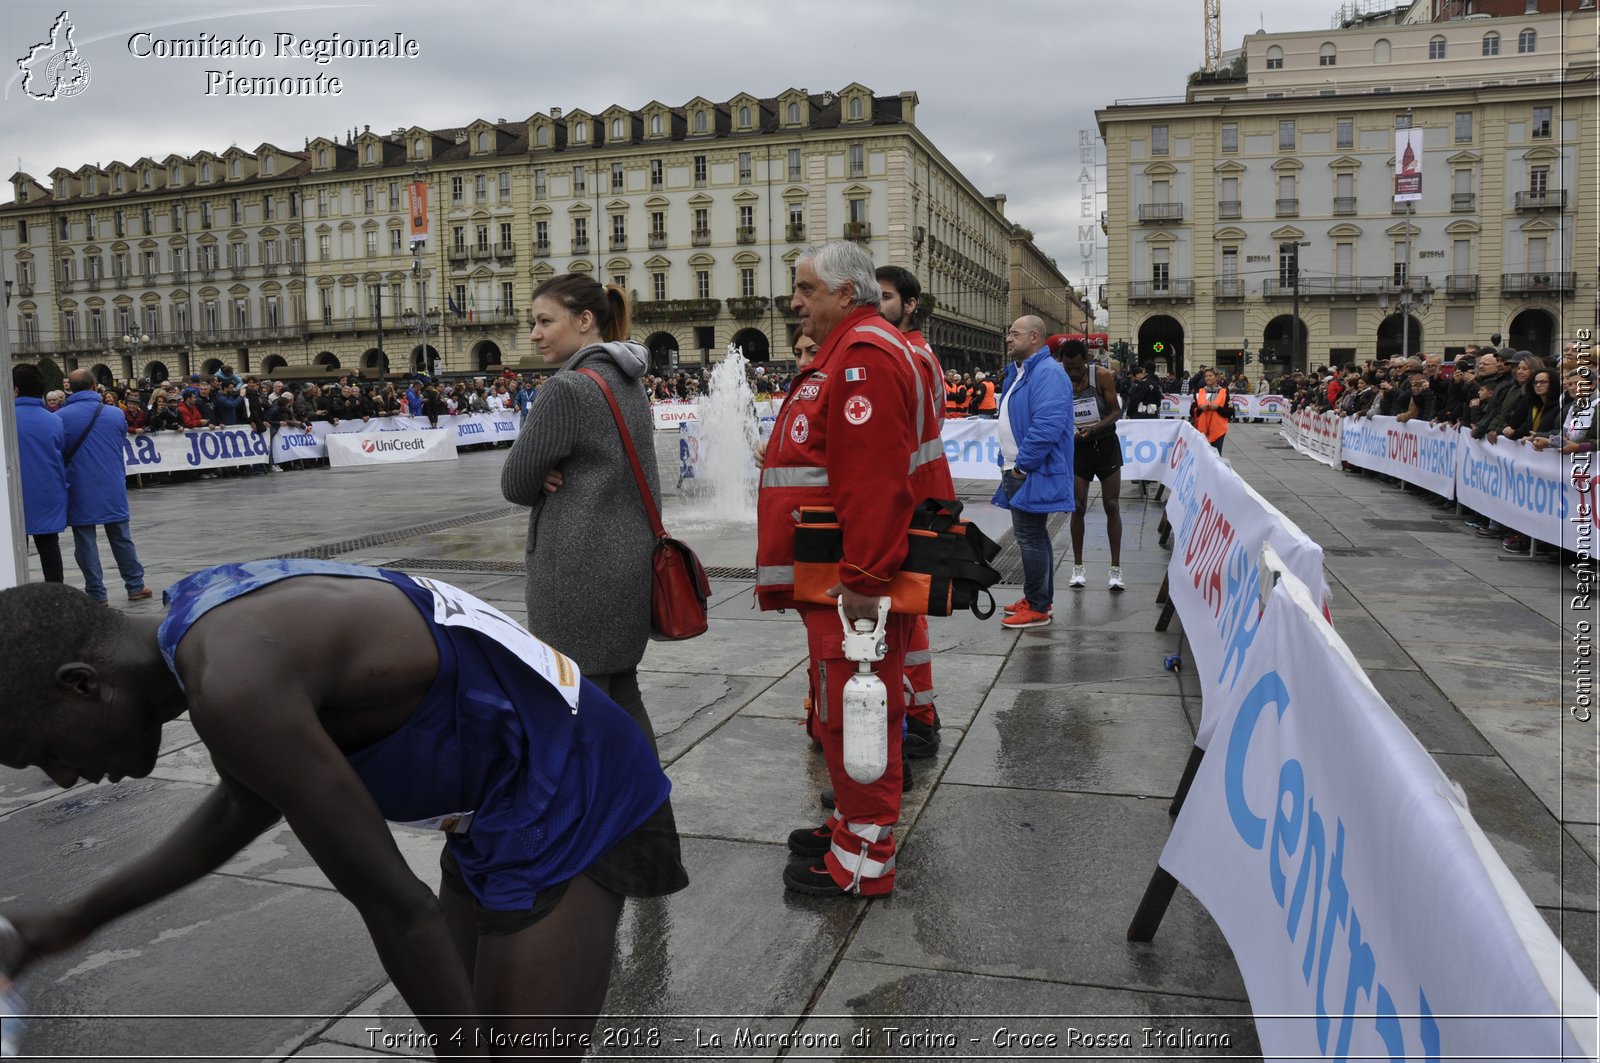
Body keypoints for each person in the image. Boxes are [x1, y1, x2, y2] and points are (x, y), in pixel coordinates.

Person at [0, 561, 685, 1055]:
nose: (64, 778)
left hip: (576, 790)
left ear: (82, 684)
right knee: (465, 1020)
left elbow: (398, 907)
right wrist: (71, 919)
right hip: (507, 794)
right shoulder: (203, 615)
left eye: (47, 751)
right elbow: (244, 803)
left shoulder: (234, 682)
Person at [499, 272, 689, 900]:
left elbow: (515, 481)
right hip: (626, 566)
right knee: (618, 701)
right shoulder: (626, 377)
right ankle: (650, 850)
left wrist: (546, 469)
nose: (534, 332)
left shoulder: (568, 389)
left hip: (577, 571)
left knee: (571, 710)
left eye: (544, 320)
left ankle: (580, 844)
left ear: (585, 321)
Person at [757, 241, 921, 897]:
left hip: (849, 584)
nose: (794, 301)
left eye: (805, 288)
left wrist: (863, 578)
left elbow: (874, 483)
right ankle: (852, 826)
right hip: (833, 580)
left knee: (859, 713)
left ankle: (864, 860)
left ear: (844, 293)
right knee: (838, 711)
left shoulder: (863, 358)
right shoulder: (850, 353)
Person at [876, 265, 955, 760]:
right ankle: (917, 716)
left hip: (910, 501)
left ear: (909, 305)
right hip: (917, 497)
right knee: (905, 614)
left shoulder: (909, 355)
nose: (876, 304)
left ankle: (917, 719)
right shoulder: (916, 351)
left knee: (904, 617)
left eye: (884, 297)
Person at [993, 316, 1075, 629]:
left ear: (1035, 337)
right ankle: (1036, 598)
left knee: (1029, 537)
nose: (1008, 339)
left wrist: (1023, 465)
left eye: (1014, 334)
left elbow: (1047, 425)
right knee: (1032, 535)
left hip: (1028, 469)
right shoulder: (1022, 371)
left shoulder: (1047, 373)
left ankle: (1038, 606)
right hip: (1018, 466)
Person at [57, 369, 151, 605]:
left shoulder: (61, 416)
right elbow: (119, 442)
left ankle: (97, 593)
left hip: (78, 484)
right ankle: (135, 585)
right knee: (121, 536)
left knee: (85, 541)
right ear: (94, 385)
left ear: (71, 388)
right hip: (111, 482)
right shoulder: (115, 414)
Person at [1057, 340, 1125, 591]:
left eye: (1077, 368)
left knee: (1112, 505)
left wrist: (1094, 428)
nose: (1073, 373)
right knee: (1078, 506)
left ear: (1085, 360)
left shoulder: (1104, 376)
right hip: (1079, 448)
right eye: (1068, 368)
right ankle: (1078, 567)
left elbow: (1116, 411)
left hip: (1105, 444)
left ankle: (1115, 569)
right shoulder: (1060, 378)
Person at [12, 364, 68, 584]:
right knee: (49, 546)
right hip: (47, 490)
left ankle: (15, 595)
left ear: (15, 390)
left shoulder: (6, 419)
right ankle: (56, 595)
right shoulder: (55, 420)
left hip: (15, 493)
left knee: (15, 549)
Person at [1191, 369, 1231, 452]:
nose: (1207, 378)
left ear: (1216, 377)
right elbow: (1191, 411)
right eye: (1206, 376)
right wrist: (1200, 409)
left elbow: (1230, 413)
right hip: (1202, 431)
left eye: (1210, 376)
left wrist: (1217, 409)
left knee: (1216, 457)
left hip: (1218, 431)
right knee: (1203, 456)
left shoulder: (1224, 391)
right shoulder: (1199, 391)